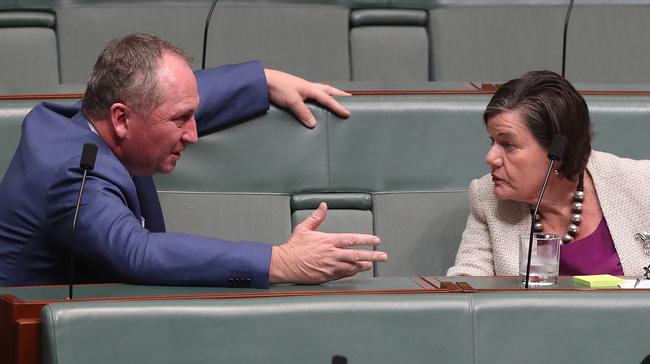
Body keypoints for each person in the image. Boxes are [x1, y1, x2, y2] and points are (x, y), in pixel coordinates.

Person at [0, 33, 387, 287]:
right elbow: (137, 253)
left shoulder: (90, 118)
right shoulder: (71, 174)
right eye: (181, 120)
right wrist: (279, 261)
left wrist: (262, 81)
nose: (193, 134)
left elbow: (175, 99)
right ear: (120, 118)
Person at [447, 70, 650, 277]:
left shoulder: (643, 183)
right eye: (493, 141)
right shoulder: (487, 198)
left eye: (508, 144)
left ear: (558, 151)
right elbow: (468, 282)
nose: (490, 157)